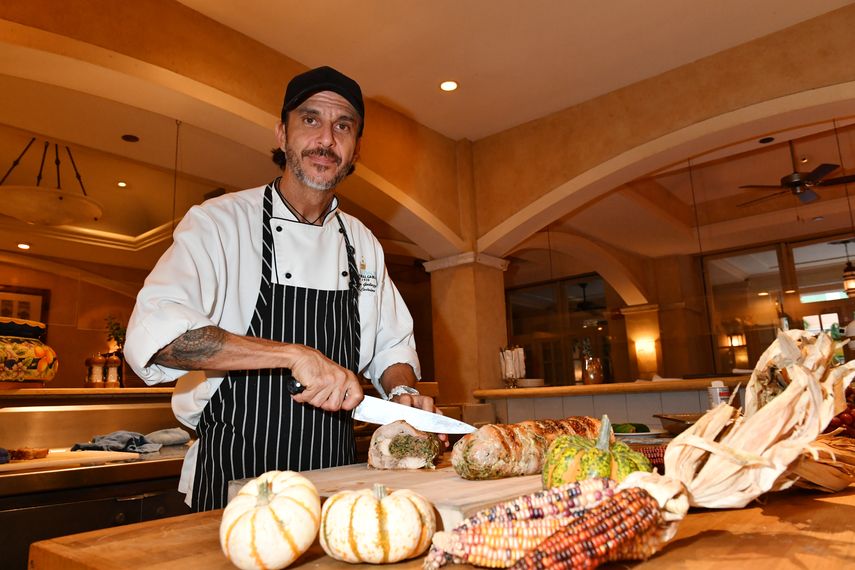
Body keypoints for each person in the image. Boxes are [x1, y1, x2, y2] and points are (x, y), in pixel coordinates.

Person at [125, 66, 437, 511]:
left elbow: (392, 347)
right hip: (234, 477)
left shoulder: (361, 241)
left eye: (343, 126)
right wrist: (294, 355)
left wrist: (402, 392)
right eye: (311, 120)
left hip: (334, 476)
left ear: (355, 148)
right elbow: (161, 339)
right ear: (281, 134)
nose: (326, 139)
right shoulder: (219, 223)